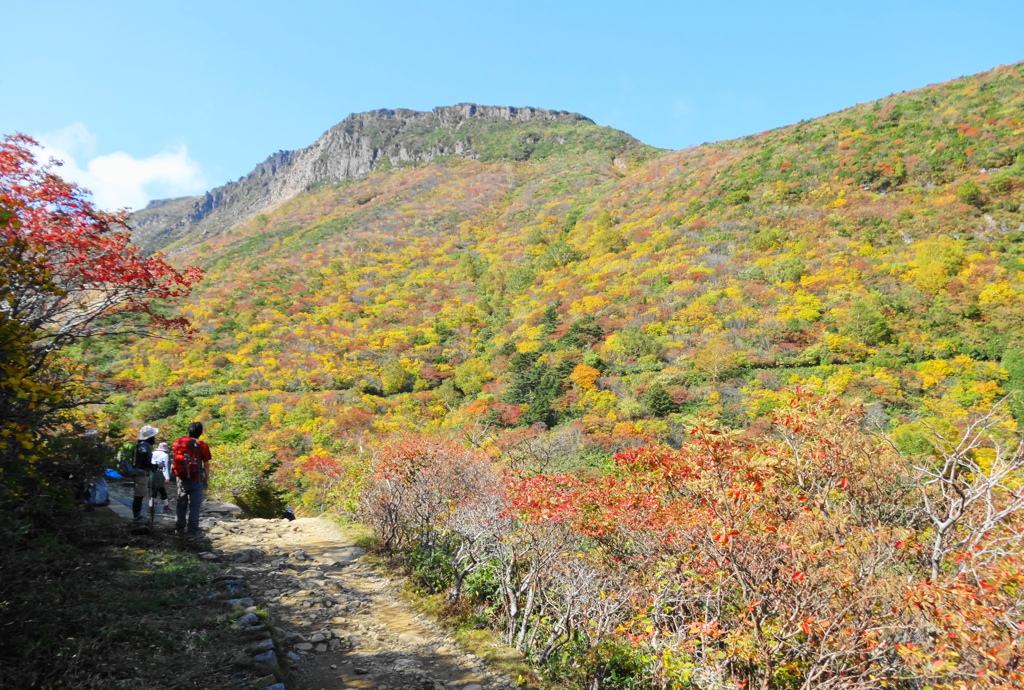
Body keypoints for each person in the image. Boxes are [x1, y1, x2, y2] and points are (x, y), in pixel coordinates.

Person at [174, 421, 212, 537]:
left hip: (181, 477)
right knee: (194, 505)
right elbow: (206, 464)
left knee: (181, 503)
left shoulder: (178, 441)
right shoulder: (202, 445)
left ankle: (179, 529)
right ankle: (192, 531)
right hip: (196, 478)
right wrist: (207, 479)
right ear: (201, 432)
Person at [131, 425, 158, 523]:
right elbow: (144, 461)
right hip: (140, 473)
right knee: (139, 496)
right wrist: (155, 466)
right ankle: (137, 518)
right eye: (153, 436)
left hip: (139, 472)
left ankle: (137, 516)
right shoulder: (144, 445)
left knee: (139, 496)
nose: (154, 438)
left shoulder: (141, 444)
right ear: (149, 437)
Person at [150, 441, 171, 514]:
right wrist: (167, 477)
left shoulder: (152, 453)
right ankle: (165, 506)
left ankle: (151, 505)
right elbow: (165, 467)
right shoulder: (165, 455)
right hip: (160, 473)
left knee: (153, 488)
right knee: (161, 489)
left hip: (152, 472)